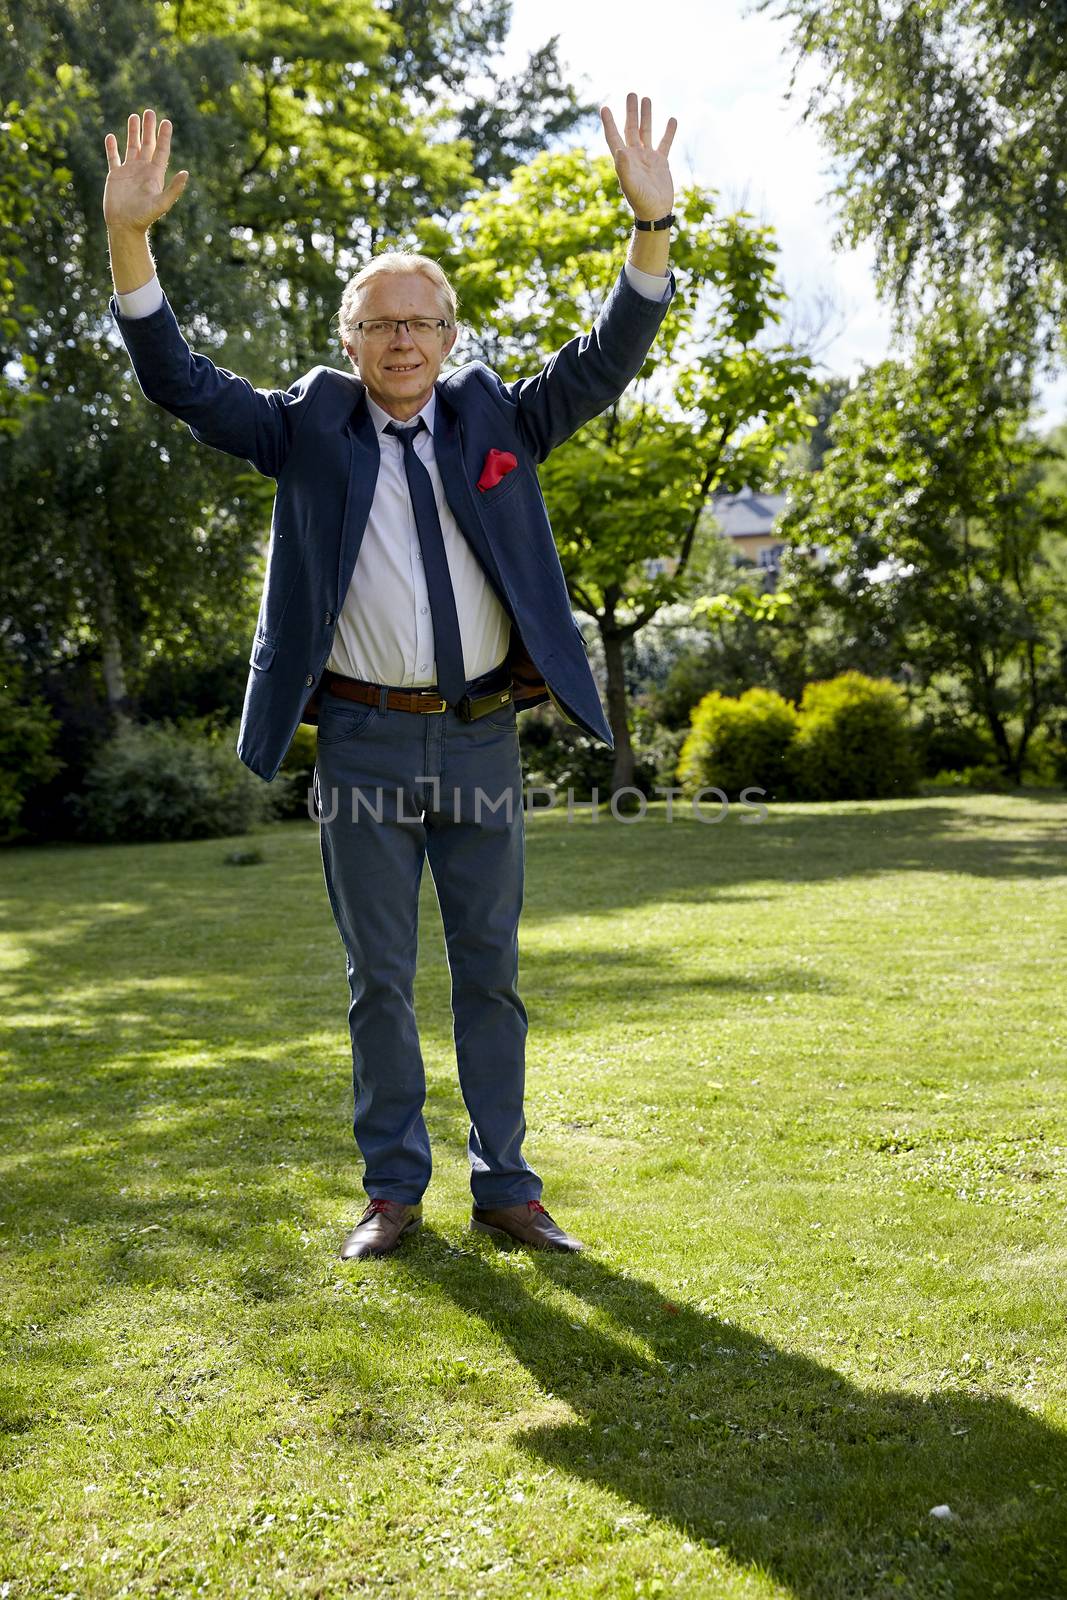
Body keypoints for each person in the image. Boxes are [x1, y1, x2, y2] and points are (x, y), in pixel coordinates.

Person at [104, 94, 677, 1260]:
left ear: (451, 336)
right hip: (361, 740)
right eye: (379, 325)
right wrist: (131, 241)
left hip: (477, 739)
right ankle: (392, 1193)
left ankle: (507, 1187)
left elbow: (608, 356)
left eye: (421, 321)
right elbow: (179, 380)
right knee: (377, 981)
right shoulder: (306, 425)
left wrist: (649, 228)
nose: (402, 341)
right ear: (349, 340)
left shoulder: (498, 414)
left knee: (491, 977)